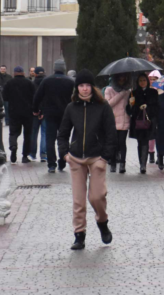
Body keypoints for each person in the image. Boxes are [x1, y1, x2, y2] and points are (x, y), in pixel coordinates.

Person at [59, 69, 117, 251]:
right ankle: (79, 235)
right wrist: (65, 154)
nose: (84, 89)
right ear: (77, 88)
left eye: (87, 86)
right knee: (78, 201)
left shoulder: (103, 106)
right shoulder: (71, 108)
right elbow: (63, 133)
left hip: (96, 158)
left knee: (97, 196)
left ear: (92, 87)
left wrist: (105, 158)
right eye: (81, 86)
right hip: (76, 158)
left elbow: (111, 134)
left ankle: (102, 222)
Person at [33, 59, 75, 173]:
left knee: (49, 139)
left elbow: (38, 96)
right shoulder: (70, 81)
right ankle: (62, 160)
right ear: (64, 69)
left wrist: (36, 110)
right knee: (63, 138)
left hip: (50, 113)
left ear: (54, 68)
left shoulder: (47, 81)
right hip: (65, 114)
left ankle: (51, 164)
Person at [3, 67, 37, 164]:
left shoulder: (9, 83)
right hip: (28, 113)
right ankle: (25, 156)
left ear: (14, 73)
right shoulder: (29, 83)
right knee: (28, 135)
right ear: (23, 72)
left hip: (14, 112)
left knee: (13, 133)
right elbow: (35, 97)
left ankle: (13, 146)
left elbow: (4, 97)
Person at [126, 73, 159, 175]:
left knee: (145, 141)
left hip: (148, 122)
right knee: (140, 142)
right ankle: (142, 163)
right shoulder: (133, 93)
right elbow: (129, 110)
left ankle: (143, 165)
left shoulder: (153, 92)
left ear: (147, 81)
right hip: (138, 121)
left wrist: (147, 108)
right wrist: (132, 105)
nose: (142, 82)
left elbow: (156, 107)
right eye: (140, 80)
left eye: (144, 80)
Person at [105, 74, 132, 174]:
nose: (122, 80)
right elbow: (108, 104)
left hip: (124, 120)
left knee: (122, 143)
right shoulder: (109, 90)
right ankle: (112, 163)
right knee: (113, 143)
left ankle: (122, 164)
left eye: (123, 78)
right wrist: (122, 94)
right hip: (112, 121)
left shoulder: (128, 91)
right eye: (120, 78)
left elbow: (130, 106)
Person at [33, 67, 47, 162]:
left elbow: (33, 99)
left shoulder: (32, 84)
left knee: (33, 133)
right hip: (45, 112)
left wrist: (36, 110)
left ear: (35, 74)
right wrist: (43, 111)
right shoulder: (47, 83)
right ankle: (43, 154)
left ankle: (32, 153)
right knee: (44, 133)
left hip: (34, 112)